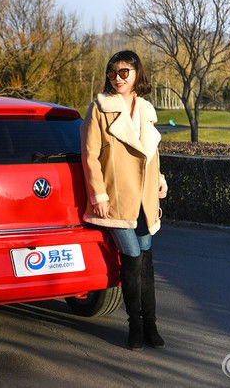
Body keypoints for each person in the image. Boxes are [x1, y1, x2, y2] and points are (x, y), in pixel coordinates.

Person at [80, 50, 168, 351]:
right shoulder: (100, 108)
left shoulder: (146, 109)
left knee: (145, 257)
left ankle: (151, 326)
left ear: (136, 74)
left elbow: (151, 152)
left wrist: (160, 178)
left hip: (144, 196)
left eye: (124, 72)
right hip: (116, 196)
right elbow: (90, 156)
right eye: (112, 73)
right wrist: (98, 194)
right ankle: (135, 326)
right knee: (131, 256)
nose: (117, 78)